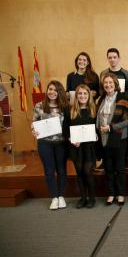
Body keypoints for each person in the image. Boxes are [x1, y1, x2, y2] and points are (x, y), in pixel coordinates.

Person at [31, 81, 68, 210]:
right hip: (44, 144)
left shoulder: (65, 106)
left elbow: (69, 125)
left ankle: (61, 196)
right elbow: (34, 123)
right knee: (49, 170)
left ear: (59, 92)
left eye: (55, 90)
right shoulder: (39, 106)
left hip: (61, 144)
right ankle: (54, 197)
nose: (52, 92)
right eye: (50, 89)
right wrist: (33, 131)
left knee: (62, 170)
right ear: (47, 90)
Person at [96, 73, 128, 206]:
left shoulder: (123, 97)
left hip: (118, 137)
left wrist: (111, 128)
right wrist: (99, 129)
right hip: (104, 138)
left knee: (120, 167)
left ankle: (120, 193)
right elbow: (98, 117)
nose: (108, 85)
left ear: (115, 84)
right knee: (109, 167)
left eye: (111, 82)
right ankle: (111, 193)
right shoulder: (101, 99)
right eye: (106, 83)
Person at [63, 84, 97, 208]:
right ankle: (83, 198)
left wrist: (97, 135)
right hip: (76, 147)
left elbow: (97, 127)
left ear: (89, 95)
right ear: (76, 96)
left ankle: (92, 198)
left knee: (87, 171)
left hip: (89, 147)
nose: (82, 96)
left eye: (85, 93)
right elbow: (65, 129)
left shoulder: (94, 109)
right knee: (79, 173)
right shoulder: (69, 110)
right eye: (80, 93)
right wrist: (70, 138)